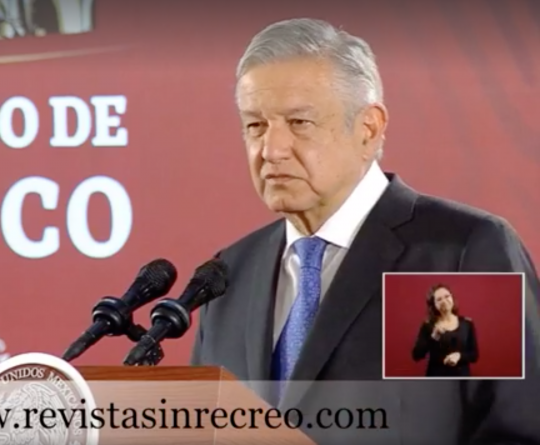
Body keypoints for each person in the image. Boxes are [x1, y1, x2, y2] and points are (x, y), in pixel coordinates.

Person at [189, 17, 540, 443]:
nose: (271, 149)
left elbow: (518, 429)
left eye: (299, 122)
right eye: (255, 125)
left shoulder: (457, 253)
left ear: (368, 129)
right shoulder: (228, 276)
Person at [412, 284, 479, 377]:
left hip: (461, 378)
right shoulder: (428, 325)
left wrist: (459, 356)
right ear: (434, 305)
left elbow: (474, 355)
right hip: (436, 378)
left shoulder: (467, 323)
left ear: (452, 298)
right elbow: (416, 355)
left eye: (447, 296)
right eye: (439, 299)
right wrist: (434, 337)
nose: (444, 301)